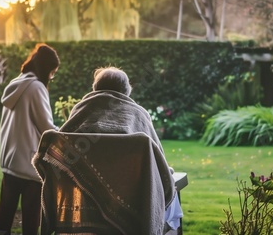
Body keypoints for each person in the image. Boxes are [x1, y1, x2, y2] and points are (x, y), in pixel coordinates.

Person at [37, 66, 180, 234]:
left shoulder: (81, 110)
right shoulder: (138, 114)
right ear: (126, 91)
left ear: (95, 88)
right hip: (129, 204)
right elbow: (157, 161)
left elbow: (61, 155)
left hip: (85, 206)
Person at [0, 43, 60, 235]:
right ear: (47, 69)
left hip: (10, 162)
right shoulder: (36, 88)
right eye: (52, 72)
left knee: (4, 216)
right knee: (31, 220)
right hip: (29, 165)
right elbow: (47, 128)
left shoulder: (15, 84)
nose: (52, 77)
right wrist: (65, 133)